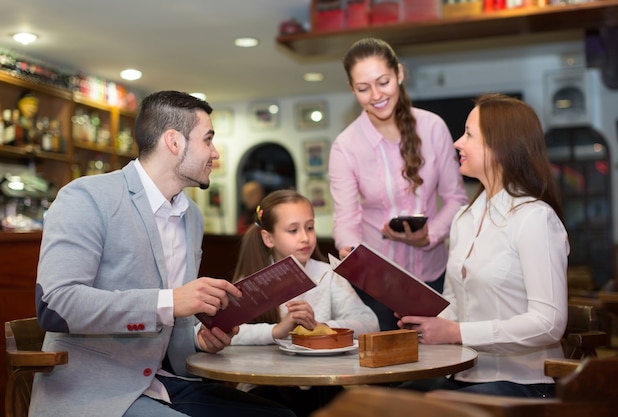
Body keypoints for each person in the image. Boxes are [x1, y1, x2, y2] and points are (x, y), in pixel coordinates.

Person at [31, 90, 296, 417]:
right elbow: (56, 305)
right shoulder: (86, 197)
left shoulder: (192, 217)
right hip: (93, 394)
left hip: (164, 383)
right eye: (208, 140)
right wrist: (171, 301)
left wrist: (200, 341)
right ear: (174, 142)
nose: (214, 153)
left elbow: (171, 330)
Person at [397, 93, 569, 398]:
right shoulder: (465, 217)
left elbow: (548, 324)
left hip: (524, 382)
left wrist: (457, 332)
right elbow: (454, 303)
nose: (457, 143)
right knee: (388, 400)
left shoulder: (534, 218)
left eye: (468, 135)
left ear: (499, 147)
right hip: (464, 374)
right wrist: (430, 325)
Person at [329, 37, 468, 330]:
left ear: (399, 74)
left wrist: (430, 235)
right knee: (386, 369)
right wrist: (350, 249)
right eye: (363, 88)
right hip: (378, 285)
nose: (376, 95)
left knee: (438, 365)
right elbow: (346, 217)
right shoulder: (346, 146)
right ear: (352, 89)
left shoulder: (432, 128)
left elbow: (456, 198)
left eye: (383, 82)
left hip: (433, 275)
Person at [231, 189, 379, 416]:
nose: (305, 237)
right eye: (293, 230)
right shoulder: (255, 282)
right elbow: (229, 333)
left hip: (324, 383)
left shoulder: (328, 274)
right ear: (268, 238)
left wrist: (322, 327)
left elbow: (369, 322)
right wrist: (278, 330)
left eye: (309, 227)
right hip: (265, 385)